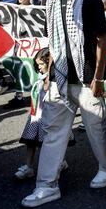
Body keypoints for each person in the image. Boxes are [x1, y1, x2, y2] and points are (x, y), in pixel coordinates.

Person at [21, 0, 106, 208]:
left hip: (87, 77)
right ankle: (46, 186)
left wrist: (98, 77)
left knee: (96, 126)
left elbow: (102, 40)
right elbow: (53, 41)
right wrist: (48, 74)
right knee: (53, 131)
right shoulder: (51, 0)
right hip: (59, 77)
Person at [14, 48, 70, 180]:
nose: (38, 68)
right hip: (36, 116)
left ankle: (60, 162)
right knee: (31, 142)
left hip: (50, 116)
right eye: (37, 64)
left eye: (41, 64)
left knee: (51, 142)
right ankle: (28, 166)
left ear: (49, 64)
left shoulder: (55, 80)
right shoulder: (40, 78)